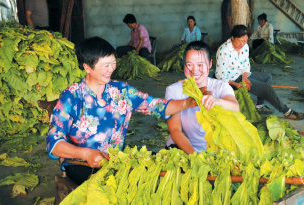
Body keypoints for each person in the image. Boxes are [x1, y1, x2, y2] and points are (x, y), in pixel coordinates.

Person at [46, 37, 198, 185]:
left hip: (118, 160)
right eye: (105, 65)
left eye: (113, 63)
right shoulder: (71, 97)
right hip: (81, 164)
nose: (111, 69)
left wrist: (188, 102)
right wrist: (86, 154)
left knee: (162, 174)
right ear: (87, 67)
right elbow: (53, 142)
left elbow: (157, 106)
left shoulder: (121, 90)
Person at [215, 25, 304, 120]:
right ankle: (286, 111)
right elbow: (219, 75)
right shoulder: (224, 50)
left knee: (267, 77)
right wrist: (235, 84)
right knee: (266, 88)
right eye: (240, 40)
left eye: (245, 40)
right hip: (231, 79)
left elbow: (246, 66)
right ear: (232, 37)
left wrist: (245, 78)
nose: (242, 43)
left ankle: (259, 106)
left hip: (241, 75)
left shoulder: (245, 47)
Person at [165, 41, 240, 154]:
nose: (195, 70)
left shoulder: (221, 87)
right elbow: (175, 130)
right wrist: (195, 157)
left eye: (200, 65)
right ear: (184, 64)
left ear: (210, 64)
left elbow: (235, 107)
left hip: (215, 151)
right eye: (189, 64)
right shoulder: (173, 90)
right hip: (182, 149)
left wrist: (218, 101)